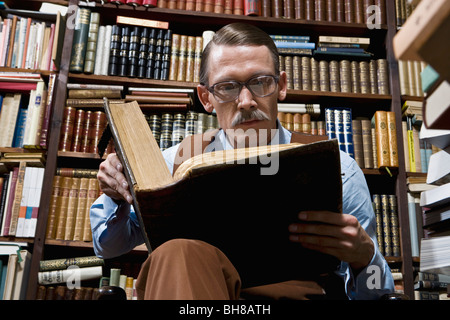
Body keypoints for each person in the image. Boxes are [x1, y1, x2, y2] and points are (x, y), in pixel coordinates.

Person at [90, 23, 395, 300]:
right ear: (206, 97)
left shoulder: (339, 170)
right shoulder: (171, 164)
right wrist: (116, 197)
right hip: (194, 291)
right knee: (177, 253)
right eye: (227, 87)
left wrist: (364, 257)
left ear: (282, 86)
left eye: (260, 82)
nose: (247, 101)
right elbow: (109, 247)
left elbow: (378, 295)